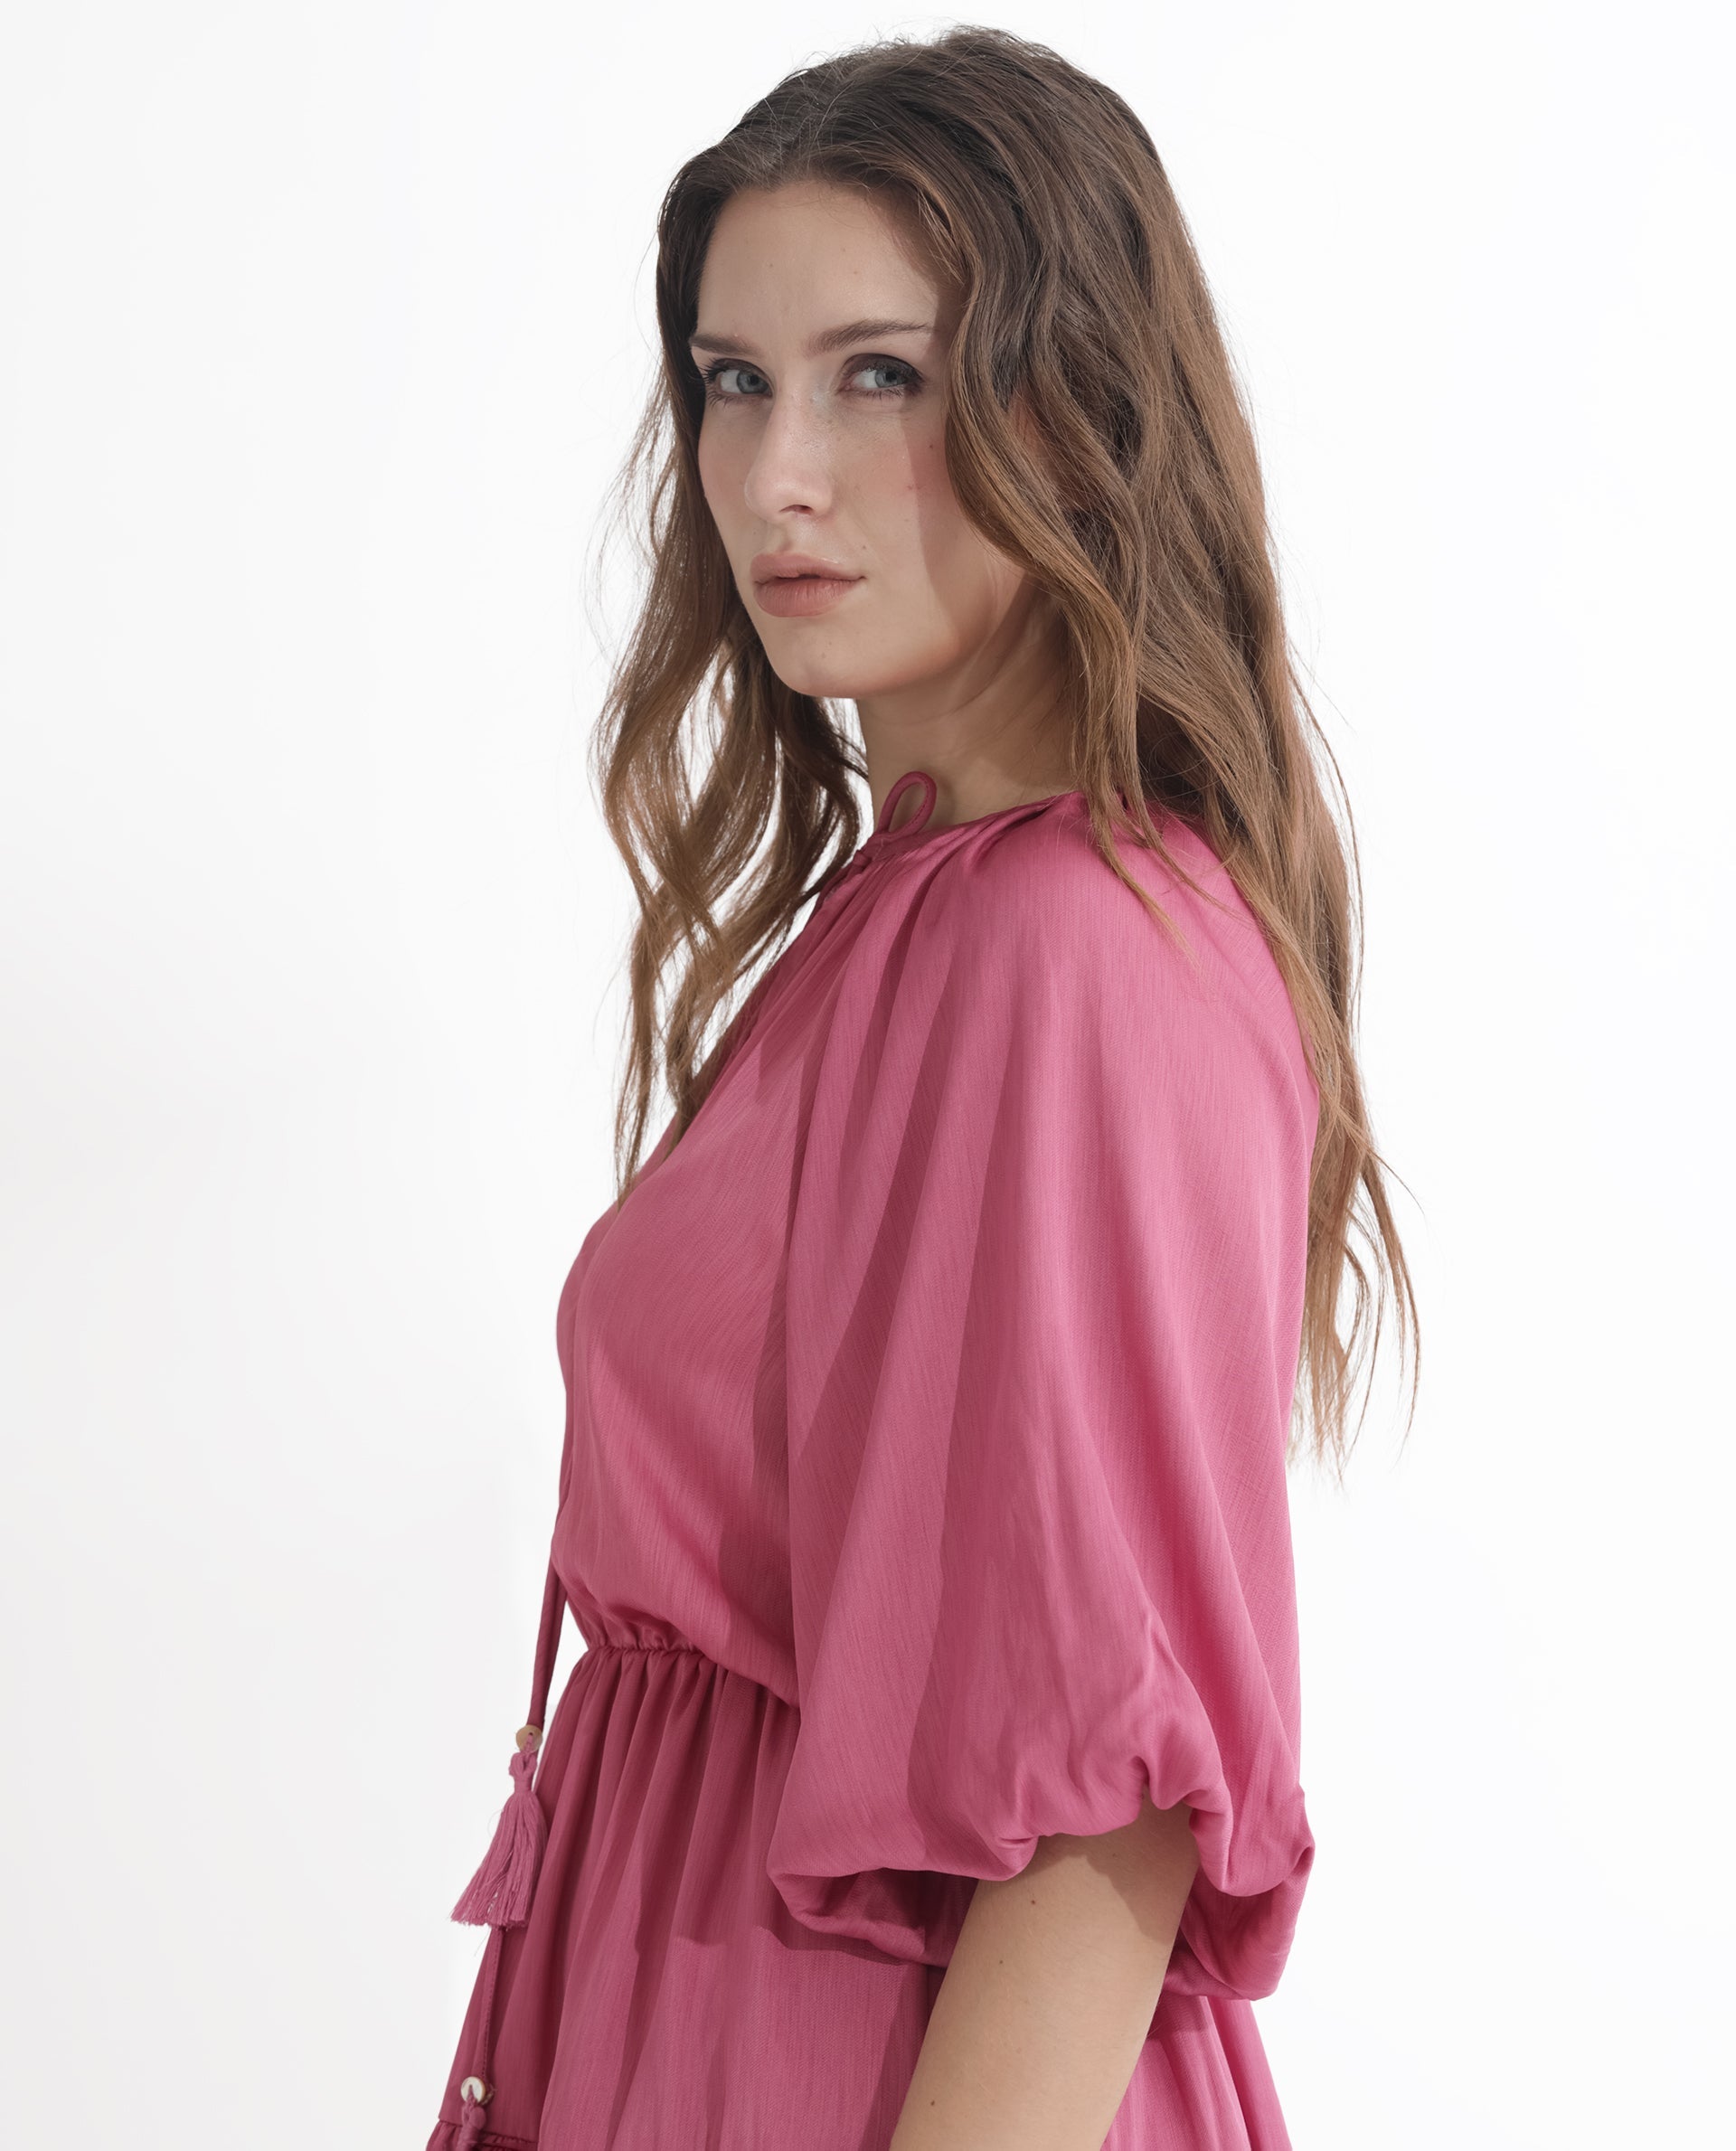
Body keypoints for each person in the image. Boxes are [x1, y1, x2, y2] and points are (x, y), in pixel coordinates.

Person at [428, 24, 1416, 2151]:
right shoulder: (909, 916)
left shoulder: (1073, 944)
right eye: (734, 379)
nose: (778, 472)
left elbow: (1108, 1804)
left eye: (881, 374)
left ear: (1081, 402)